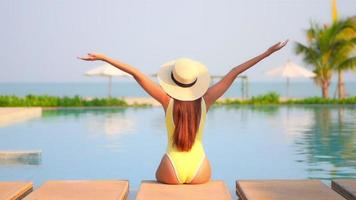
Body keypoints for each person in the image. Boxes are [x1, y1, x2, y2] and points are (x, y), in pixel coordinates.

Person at [78, 40, 288, 184]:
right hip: (201, 168)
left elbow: (135, 73)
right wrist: (267, 53)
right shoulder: (207, 100)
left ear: (172, 80)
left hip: (172, 168)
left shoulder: (166, 100)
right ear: (196, 82)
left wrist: (104, 58)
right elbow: (234, 72)